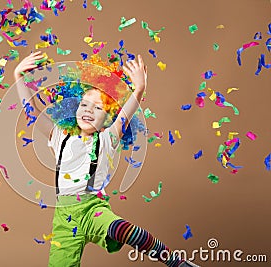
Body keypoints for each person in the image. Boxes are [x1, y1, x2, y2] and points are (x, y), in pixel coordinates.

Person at [14, 51, 199, 267]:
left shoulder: (107, 139)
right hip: (65, 220)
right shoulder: (60, 138)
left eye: (98, 107)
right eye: (84, 104)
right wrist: (18, 76)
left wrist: (139, 89)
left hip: (93, 208)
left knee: (120, 229)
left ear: (108, 117)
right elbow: (32, 111)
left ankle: (176, 263)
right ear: (74, 108)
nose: (88, 110)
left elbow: (126, 115)